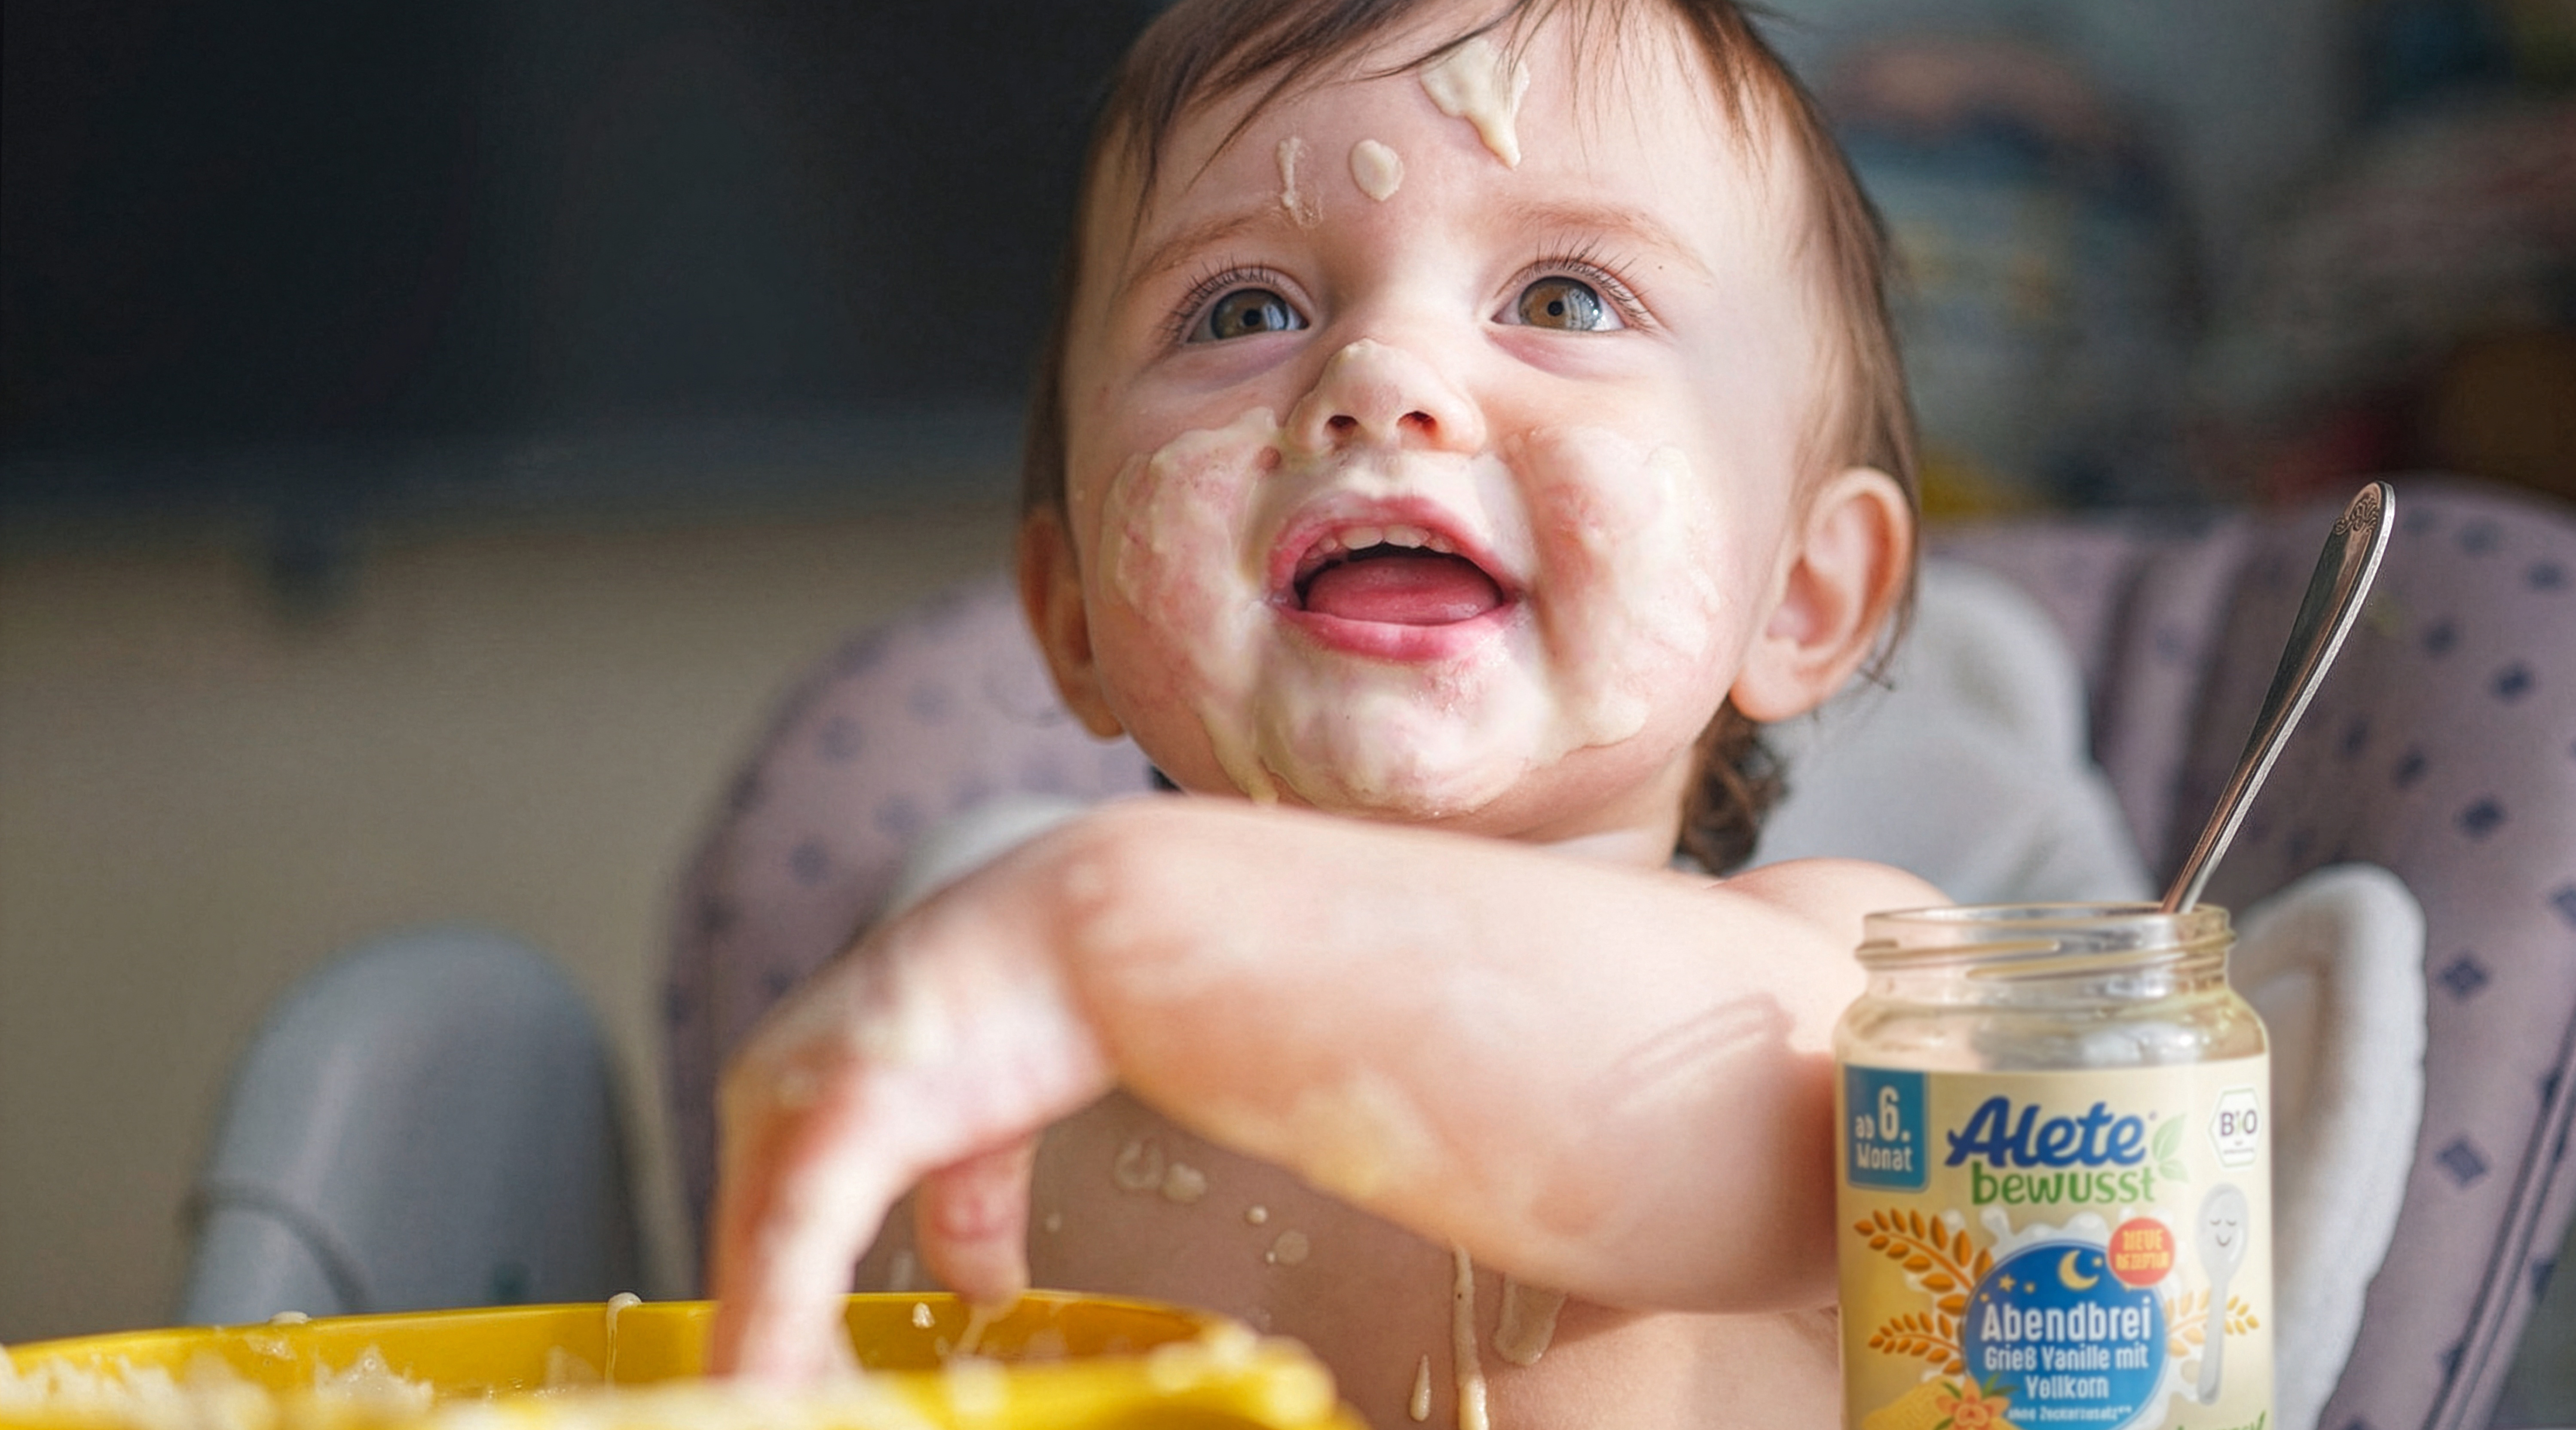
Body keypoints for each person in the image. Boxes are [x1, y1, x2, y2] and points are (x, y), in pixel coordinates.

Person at [704, 0, 1938, 1423]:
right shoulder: (966, 1065)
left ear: (1800, 593)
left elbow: (1739, 1132)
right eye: (1243, 311)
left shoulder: (1857, 999)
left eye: (1563, 303)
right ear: (1074, 619)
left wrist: (1110, 918)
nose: (1378, 381)